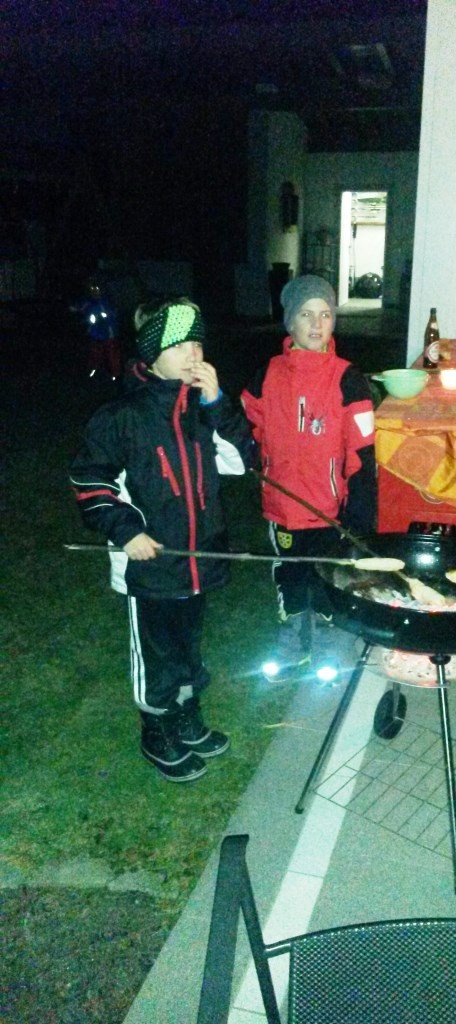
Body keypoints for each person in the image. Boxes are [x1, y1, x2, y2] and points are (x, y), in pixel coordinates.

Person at [70, 297, 253, 782]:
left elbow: (243, 460)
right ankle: (156, 728)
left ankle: (186, 718)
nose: (195, 354)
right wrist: (126, 530)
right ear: (151, 358)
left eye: (198, 343)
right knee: (156, 657)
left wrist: (217, 405)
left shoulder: (200, 410)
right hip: (149, 566)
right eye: (180, 345)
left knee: (189, 649)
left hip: (196, 562)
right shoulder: (121, 418)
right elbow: (91, 483)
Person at [241, 274, 376, 682]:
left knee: (329, 579)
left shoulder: (348, 378)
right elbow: (245, 432)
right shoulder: (267, 375)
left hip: (330, 511)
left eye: (325, 314)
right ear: (290, 322)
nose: (317, 324)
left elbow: (364, 452)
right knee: (291, 577)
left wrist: (361, 512)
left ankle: (331, 647)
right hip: (283, 509)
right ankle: (292, 643)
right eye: (306, 314)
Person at [72, 278, 121, 380]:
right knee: (94, 354)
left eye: (97, 288)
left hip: (109, 334)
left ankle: (115, 375)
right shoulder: (88, 303)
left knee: (112, 356)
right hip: (95, 334)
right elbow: (78, 309)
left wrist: (106, 318)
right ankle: (93, 371)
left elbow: (113, 316)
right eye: (92, 289)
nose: (94, 291)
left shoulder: (107, 302)